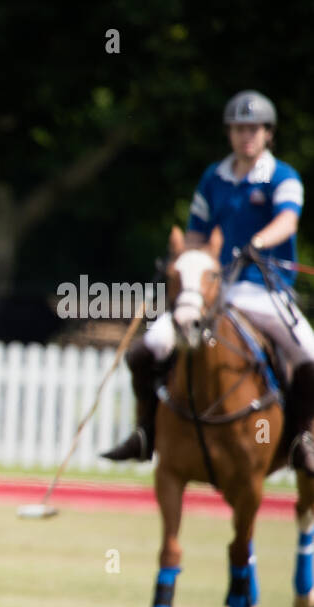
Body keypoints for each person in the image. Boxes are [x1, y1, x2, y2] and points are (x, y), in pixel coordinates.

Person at [105, 90, 311, 471]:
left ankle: (304, 438)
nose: (245, 135)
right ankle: (145, 432)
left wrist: (257, 242)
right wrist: (181, 259)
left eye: (254, 129)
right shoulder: (214, 178)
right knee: (145, 350)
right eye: (238, 129)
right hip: (212, 291)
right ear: (229, 133)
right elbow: (197, 233)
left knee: (309, 356)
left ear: (268, 133)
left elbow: (288, 221)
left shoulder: (283, 176)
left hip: (265, 290)